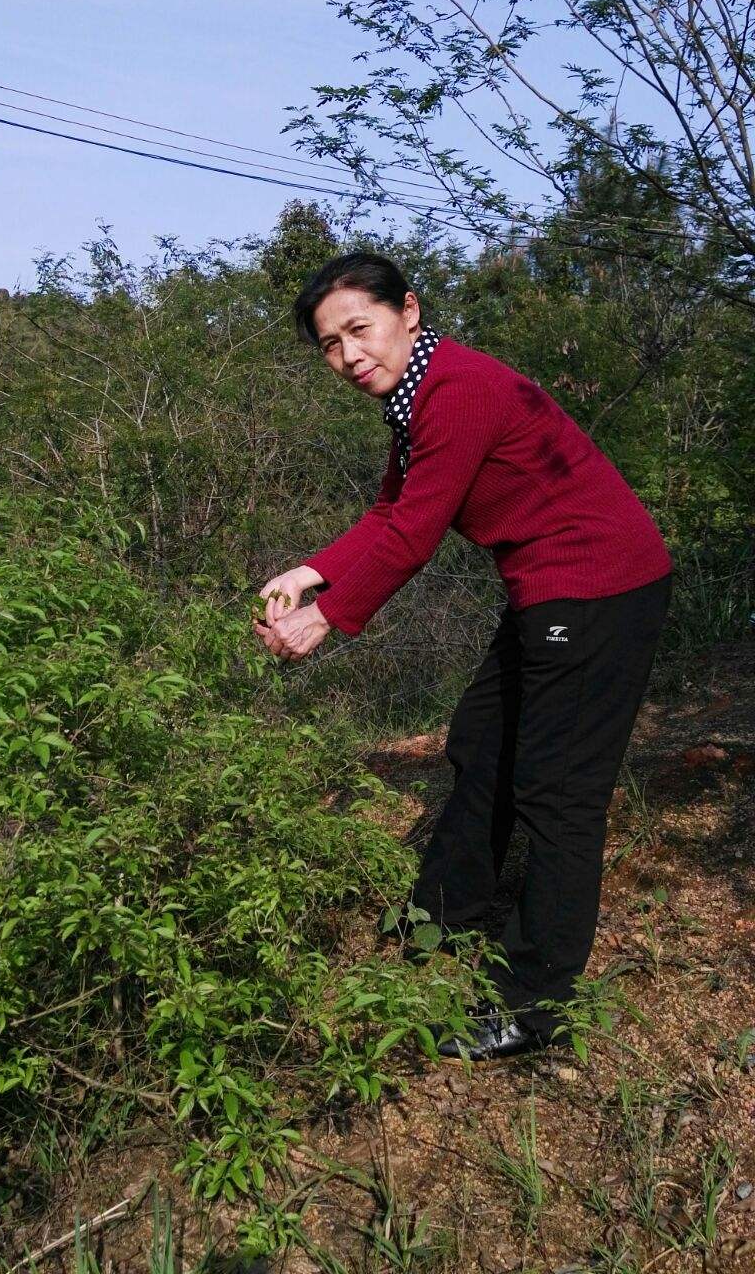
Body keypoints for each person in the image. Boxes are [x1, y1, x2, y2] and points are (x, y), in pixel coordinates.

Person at [255, 252, 672, 1061]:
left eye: (359, 329)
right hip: (547, 587)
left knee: (558, 794)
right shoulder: (418, 396)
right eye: (331, 345)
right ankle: (439, 922)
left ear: (408, 310)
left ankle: (537, 1004)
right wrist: (311, 570)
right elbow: (392, 510)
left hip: (595, 588)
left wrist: (327, 619)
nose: (349, 356)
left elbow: (415, 534)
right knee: (482, 744)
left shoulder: (459, 390)